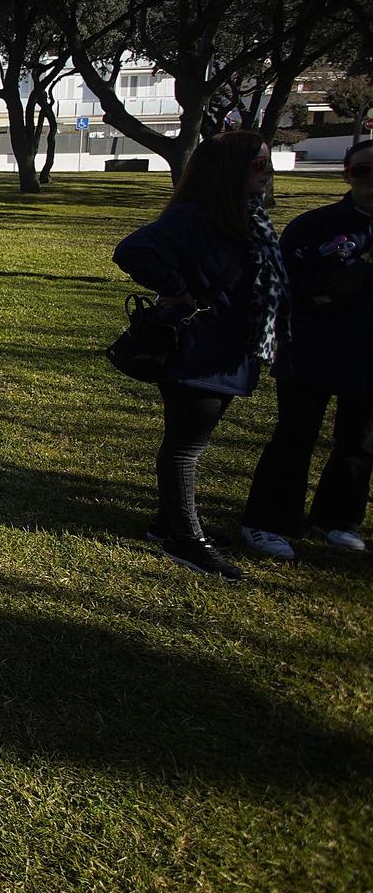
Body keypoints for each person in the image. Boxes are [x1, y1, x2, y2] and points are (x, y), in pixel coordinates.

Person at [114, 130, 286, 580]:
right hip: (199, 350)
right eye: (258, 165)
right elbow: (133, 250)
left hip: (232, 349)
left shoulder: (248, 217)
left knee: (194, 442)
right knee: (185, 447)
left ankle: (168, 521)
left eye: (268, 164)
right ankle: (185, 538)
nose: (267, 174)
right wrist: (178, 291)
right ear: (228, 169)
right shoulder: (197, 217)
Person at [240, 138, 373, 557]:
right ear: (347, 176)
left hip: (369, 353)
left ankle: (338, 518)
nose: (371, 180)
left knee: (360, 441)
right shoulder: (314, 226)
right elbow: (283, 286)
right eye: (362, 171)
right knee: (295, 436)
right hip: (311, 348)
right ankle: (269, 521)